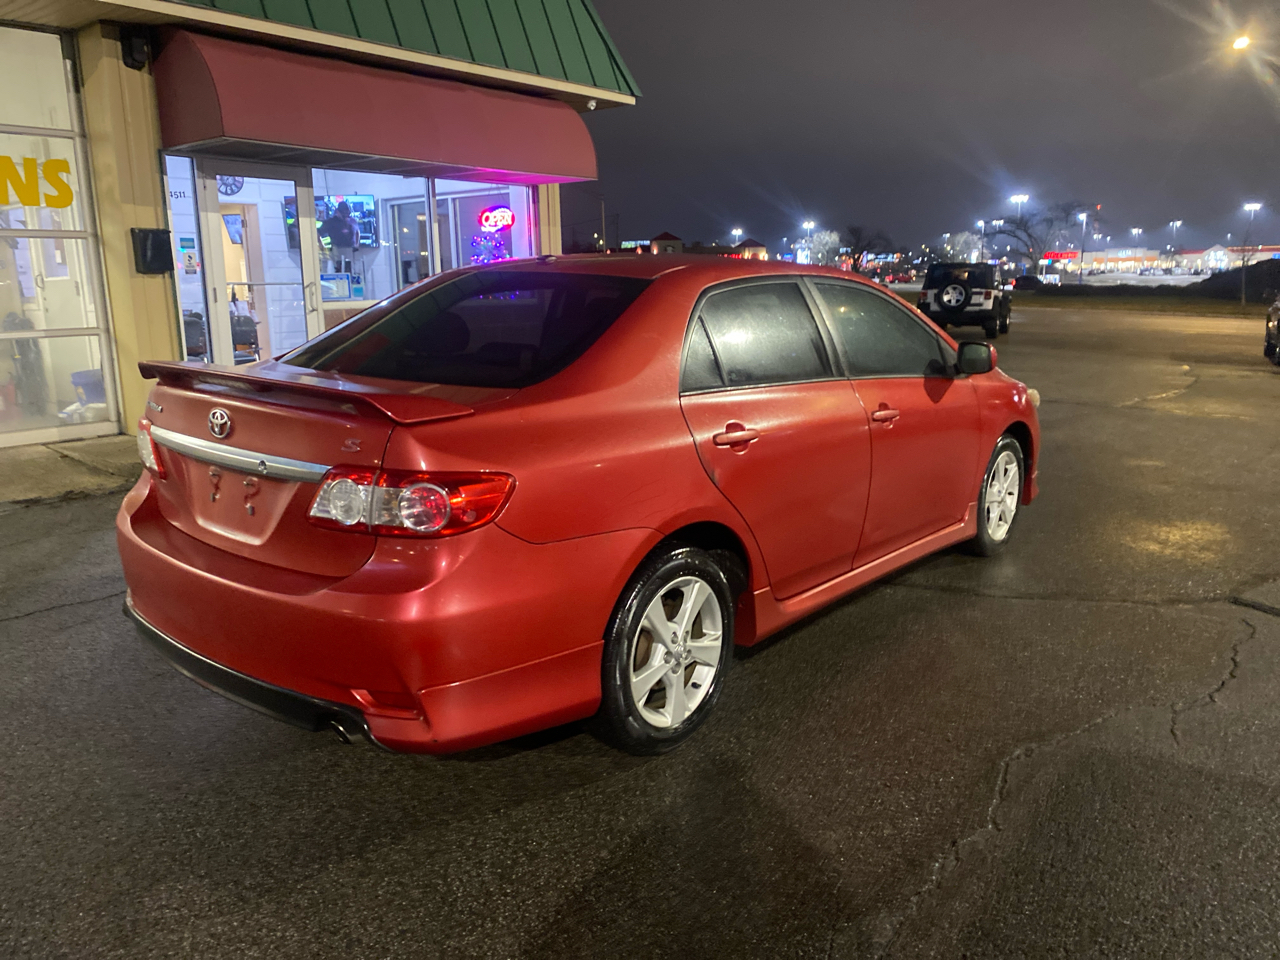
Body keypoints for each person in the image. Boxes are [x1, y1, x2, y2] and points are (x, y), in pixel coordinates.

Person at [318, 201, 360, 271]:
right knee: (338, 271)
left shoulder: (352, 220)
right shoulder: (330, 222)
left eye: (347, 214)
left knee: (350, 271)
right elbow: (317, 233)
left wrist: (357, 244)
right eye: (343, 214)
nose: (346, 216)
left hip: (350, 250)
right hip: (337, 250)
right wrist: (322, 246)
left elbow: (357, 231)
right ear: (338, 212)